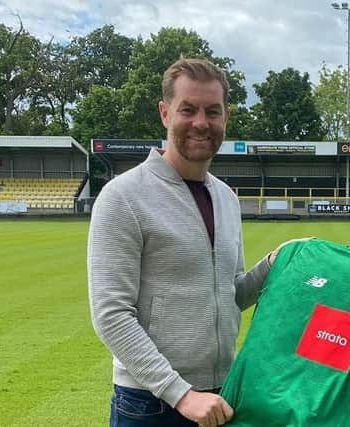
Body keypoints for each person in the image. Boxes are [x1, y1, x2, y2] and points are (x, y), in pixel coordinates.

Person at [88, 58, 276, 427]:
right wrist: (180, 394)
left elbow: (231, 295)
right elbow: (111, 315)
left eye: (212, 111)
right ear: (164, 113)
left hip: (220, 396)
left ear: (226, 117)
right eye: (187, 110)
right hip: (150, 403)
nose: (201, 123)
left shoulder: (226, 197)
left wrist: (273, 264)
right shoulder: (122, 196)